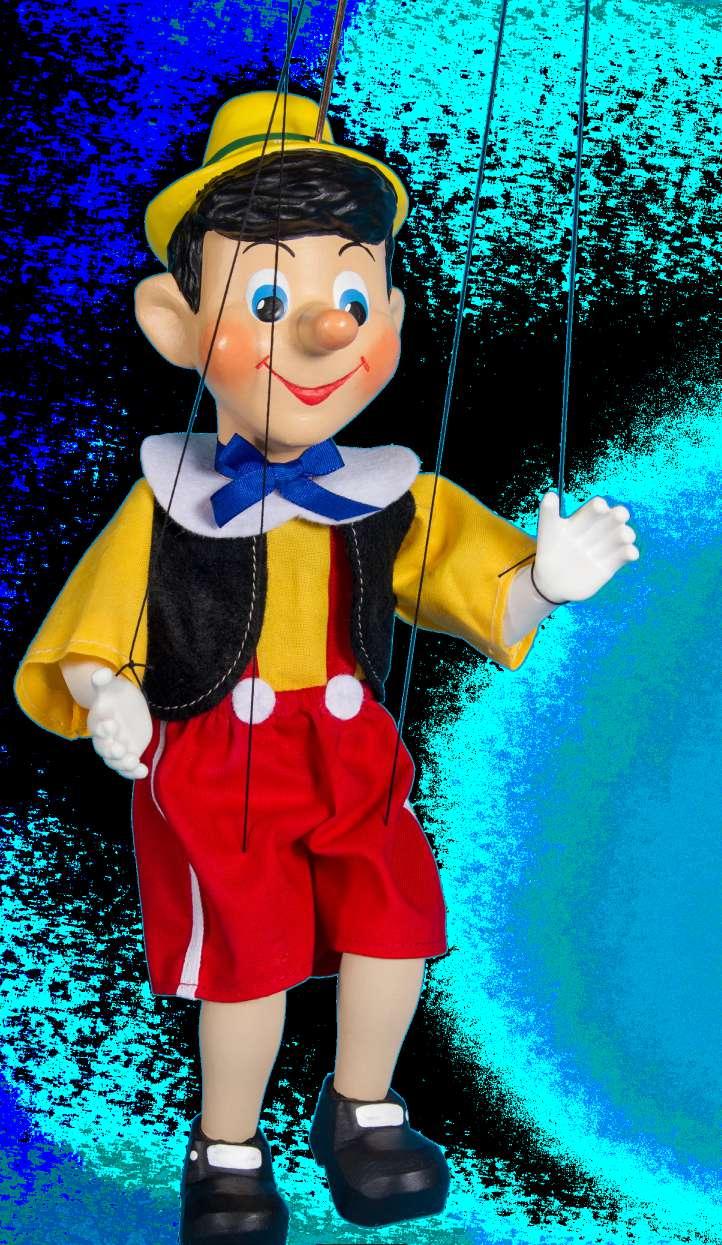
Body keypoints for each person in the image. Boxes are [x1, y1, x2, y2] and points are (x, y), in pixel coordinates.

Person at [14, 91, 639, 1245]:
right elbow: (92, 640)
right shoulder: (165, 501)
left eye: (351, 298)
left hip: (351, 758)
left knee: (393, 928)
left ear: (389, 314)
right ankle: (227, 1144)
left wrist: (545, 584)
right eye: (267, 299)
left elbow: (481, 598)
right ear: (173, 323)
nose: (322, 332)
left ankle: (362, 1110)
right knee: (245, 969)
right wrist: (109, 695)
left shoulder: (393, 495)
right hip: (220, 762)